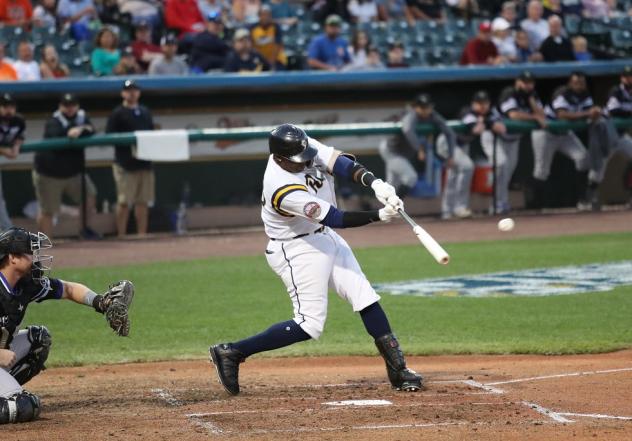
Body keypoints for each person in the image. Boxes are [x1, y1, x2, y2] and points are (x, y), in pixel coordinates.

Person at [209, 123, 423, 396]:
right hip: (297, 249)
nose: (306, 162)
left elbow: (338, 162)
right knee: (309, 324)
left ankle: (399, 370)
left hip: (324, 236)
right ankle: (233, 352)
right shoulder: (281, 187)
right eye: (298, 161)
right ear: (279, 158)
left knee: (364, 296)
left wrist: (374, 182)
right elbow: (336, 217)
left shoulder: (300, 145)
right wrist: (378, 215)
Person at [0, 227, 134, 425]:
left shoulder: (26, 284)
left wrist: (101, 302)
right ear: (13, 258)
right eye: (31, 253)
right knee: (20, 407)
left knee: (39, 340)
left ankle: (6, 390)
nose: (36, 260)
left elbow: (69, 289)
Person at [32, 94, 100, 239]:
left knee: (89, 196)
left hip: (73, 173)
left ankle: (84, 230)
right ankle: (45, 242)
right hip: (49, 174)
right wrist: (77, 130)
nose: (70, 108)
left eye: (72, 105)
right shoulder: (54, 121)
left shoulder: (81, 117)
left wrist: (81, 130)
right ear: (60, 106)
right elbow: (60, 135)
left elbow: (91, 130)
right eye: (66, 105)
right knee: (48, 210)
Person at [530, 71, 592, 209]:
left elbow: (590, 113)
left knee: (583, 157)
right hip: (546, 133)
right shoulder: (562, 93)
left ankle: (583, 200)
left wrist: (593, 114)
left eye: (582, 82)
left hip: (565, 134)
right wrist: (588, 114)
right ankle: (536, 206)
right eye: (576, 82)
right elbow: (562, 114)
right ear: (570, 83)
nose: (579, 85)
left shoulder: (585, 95)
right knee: (541, 170)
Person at [440, 91, 506, 219]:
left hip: (462, 145)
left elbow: (501, 128)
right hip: (448, 143)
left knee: (454, 175)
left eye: (485, 103)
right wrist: (488, 122)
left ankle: (448, 211)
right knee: (466, 167)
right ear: (473, 104)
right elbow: (477, 129)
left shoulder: (490, 113)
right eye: (479, 103)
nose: (482, 106)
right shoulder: (467, 112)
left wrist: (486, 121)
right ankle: (458, 207)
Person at [379, 93, 456, 197]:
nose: (425, 110)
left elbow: (450, 133)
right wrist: (419, 148)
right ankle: (395, 205)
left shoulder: (433, 115)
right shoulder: (410, 114)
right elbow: (407, 130)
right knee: (410, 177)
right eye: (422, 107)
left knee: (391, 186)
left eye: (427, 107)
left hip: (404, 152)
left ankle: (389, 208)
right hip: (392, 150)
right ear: (416, 107)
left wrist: (451, 155)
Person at [106, 80, 155, 238]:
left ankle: (142, 235)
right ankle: (121, 235)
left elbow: (151, 134)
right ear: (123, 93)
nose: (131, 93)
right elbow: (109, 136)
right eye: (128, 90)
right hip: (125, 164)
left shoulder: (145, 111)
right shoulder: (117, 113)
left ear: (139, 92)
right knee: (124, 202)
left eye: (134, 90)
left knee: (143, 202)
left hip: (144, 163)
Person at [493, 71, 547, 213]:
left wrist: (531, 100)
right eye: (525, 82)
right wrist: (534, 117)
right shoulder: (509, 93)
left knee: (508, 172)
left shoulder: (532, 95)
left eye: (530, 82)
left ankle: (502, 203)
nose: (528, 85)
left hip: (514, 138)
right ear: (518, 82)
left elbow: (542, 116)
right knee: (502, 166)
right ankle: (497, 203)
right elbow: (514, 115)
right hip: (496, 137)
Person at [583, 67, 632, 209]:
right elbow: (613, 110)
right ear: (622, 78)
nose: (630, 79)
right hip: (606, 135)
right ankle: (588, 199)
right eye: (628, 76)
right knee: (598, 170)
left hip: (621, 136)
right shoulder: (616, 92)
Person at [0, 94, 24, 230]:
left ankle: (7, 232)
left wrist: (16, 147)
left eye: (11, 107)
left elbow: (20, 135)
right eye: (5, 107)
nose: (8, 110)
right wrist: (5, 152)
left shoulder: (18, 121)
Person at [250, 5, 287, 70]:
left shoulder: (276, 27)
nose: (265, 17)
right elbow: (251, 46)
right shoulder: (253, 28)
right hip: (260, 59)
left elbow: (278, 45)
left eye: (268, 15)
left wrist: (271, 63)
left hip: (276, 59)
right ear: (259, 16)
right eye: (263, 15)